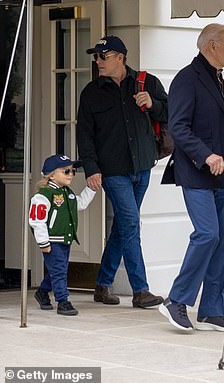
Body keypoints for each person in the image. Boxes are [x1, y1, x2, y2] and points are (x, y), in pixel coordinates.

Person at [159, 24, 224, 332]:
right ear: (211, 46)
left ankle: (211, 310)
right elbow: (179, 127)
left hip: (221, 175)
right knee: (207, 234)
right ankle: (177, 300)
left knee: (221, 242)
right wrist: (206, 155)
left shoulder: (217, 78)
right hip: (197, 171)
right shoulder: (187, 78)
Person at [77, 35, 166, 308]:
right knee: (130, 224)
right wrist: (91, 169)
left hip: (143, 167)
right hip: (113, 172)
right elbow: (85, 135)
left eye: (103, 57)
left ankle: (103, 285)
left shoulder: (147, 82)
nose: (98, 62)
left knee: (122, 227)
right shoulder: (91, 92)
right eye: (96, 57)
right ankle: (140, 290)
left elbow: (171, 113)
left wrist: (153, 103)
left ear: (120, 58)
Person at [29, 155, 96, 316]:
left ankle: (42, 292)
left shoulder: (67, 193)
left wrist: (91, 189)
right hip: (52, 240)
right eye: (66, 171)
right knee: (59, 271)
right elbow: (37, 220)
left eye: (73, 171)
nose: (71, 174)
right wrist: (43, 242)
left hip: (65, 240)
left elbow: (80, 204)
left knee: (58, 269)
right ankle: (63, 301)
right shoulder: (44, 195)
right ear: (51, 175)